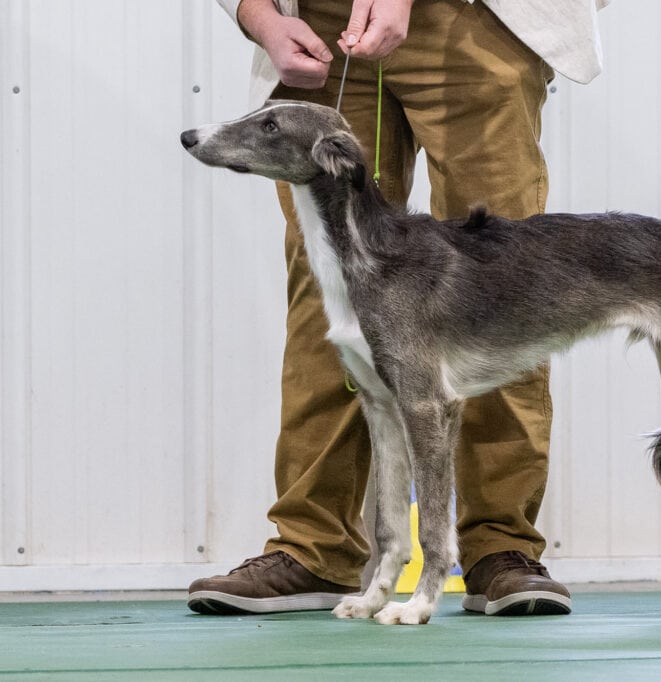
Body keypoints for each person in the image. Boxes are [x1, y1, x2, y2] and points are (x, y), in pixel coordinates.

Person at [187, 0, 606, 617]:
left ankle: (500, 546)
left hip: (475, 22)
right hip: (322, 29)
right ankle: (314, 547)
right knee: (324, 289)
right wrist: (260, 17)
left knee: (506, 277)